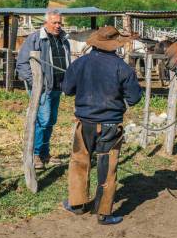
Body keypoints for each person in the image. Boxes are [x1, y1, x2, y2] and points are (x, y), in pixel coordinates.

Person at [61, 26, 142, 225]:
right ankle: (104, 212)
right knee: (107, 167)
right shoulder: (122, 68)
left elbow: (67, 89)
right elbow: (134, 98)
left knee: (80, 161)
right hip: (110, 125)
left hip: (84, 123)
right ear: (115, 45)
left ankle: (77, 204)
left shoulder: (80, 63)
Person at [16, 9, 71, 169]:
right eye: (55, 22)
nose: (58, 25)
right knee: (43, 120)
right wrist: (36, 83)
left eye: (60, 22)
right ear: (46, 23)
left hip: (57, 87)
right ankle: (35, 154)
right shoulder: (36, 39)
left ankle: (45, 153)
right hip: (43, 88)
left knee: (51, 121)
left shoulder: (64, 40)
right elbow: (22, 63)